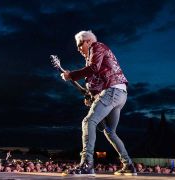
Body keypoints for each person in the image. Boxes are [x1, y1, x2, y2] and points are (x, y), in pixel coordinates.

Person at [61, 30, 136, 176]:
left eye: (79, 45)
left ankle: (87, 164)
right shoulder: (94, 55)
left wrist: (71, 75)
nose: (78, 49)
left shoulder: (96, 47)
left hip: (112, 91)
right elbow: (96, 81)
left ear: (88, 41)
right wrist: (92, 97)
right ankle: (128, 165)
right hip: (120, 94)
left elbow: (93, 69)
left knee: (88, 122)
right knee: (110, 131)